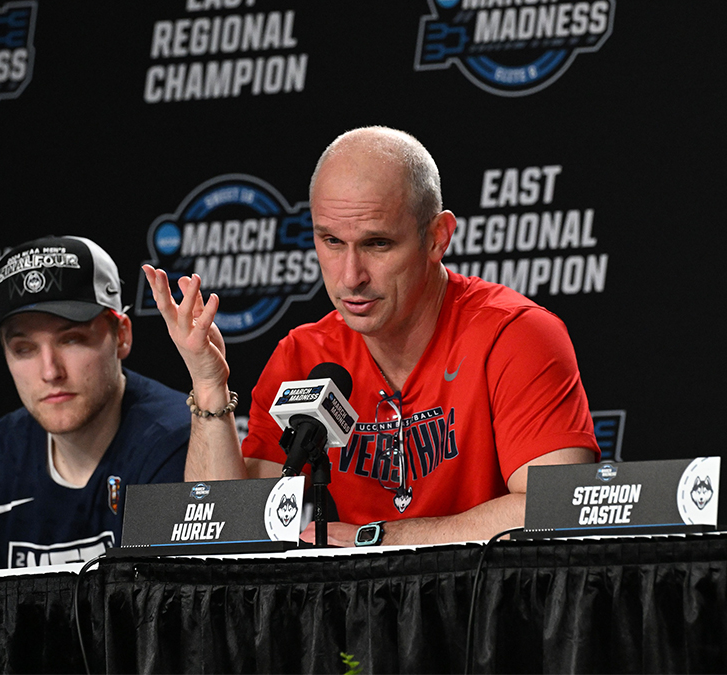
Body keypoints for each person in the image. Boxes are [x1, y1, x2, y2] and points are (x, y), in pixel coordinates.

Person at [144, 126, 599, 546]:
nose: (350, 277)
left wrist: (379, 540)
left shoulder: (514, 335)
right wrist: (208, 386)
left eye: (378, 244)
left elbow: (555, 511)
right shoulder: (304, 355)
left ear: (438, 237)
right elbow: (223, 533)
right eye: (331, 242)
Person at [0, 236, 191, 570]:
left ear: (122, 336)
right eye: (24, 349)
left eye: (71, 339)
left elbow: (168, 607)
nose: (50, 371)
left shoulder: (172, 441)